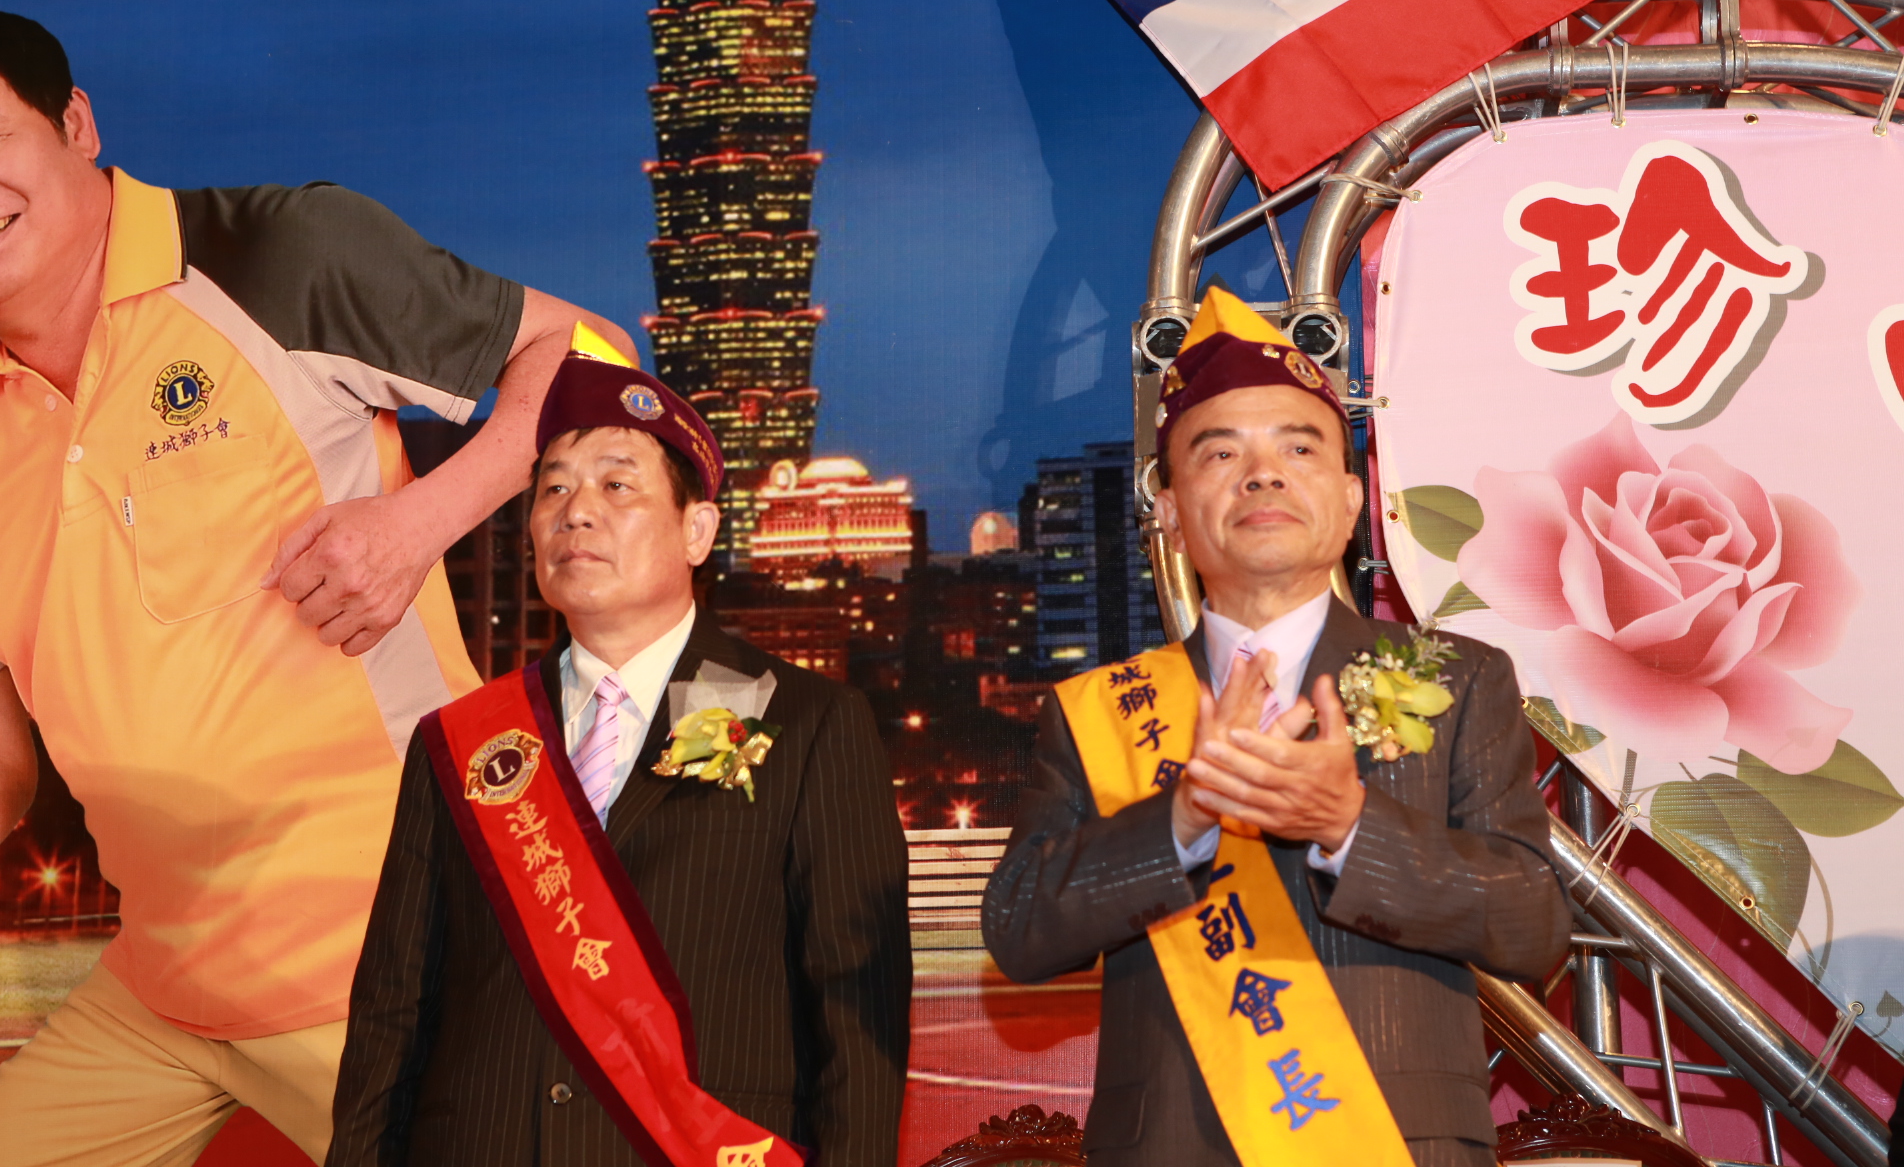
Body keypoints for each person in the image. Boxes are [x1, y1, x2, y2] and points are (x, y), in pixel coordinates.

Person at [0, 9, 631, 1164]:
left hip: (399, 958)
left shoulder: (273, 257)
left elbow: (593, 355)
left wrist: (417, 522)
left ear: (75, 123)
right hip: (165, 984)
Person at [982, 288, 1571, 1167]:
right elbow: (1019, 928)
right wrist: (1183, 818)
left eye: (1299, 448)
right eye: (1221, 452)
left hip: (1397, 1145)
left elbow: (1534, 925)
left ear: (1351, 499)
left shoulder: (1456, 679)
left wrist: (1349, 826)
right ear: (1168, 509)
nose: (1263, 474)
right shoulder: (1097, 710)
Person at [326, 331, 911, 1167]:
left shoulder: (808, 724)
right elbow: (392, 1011)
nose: (577, 510)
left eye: (616, 484)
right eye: (553, 488)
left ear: (697, 530)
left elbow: (858, 1023)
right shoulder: (462, 742)